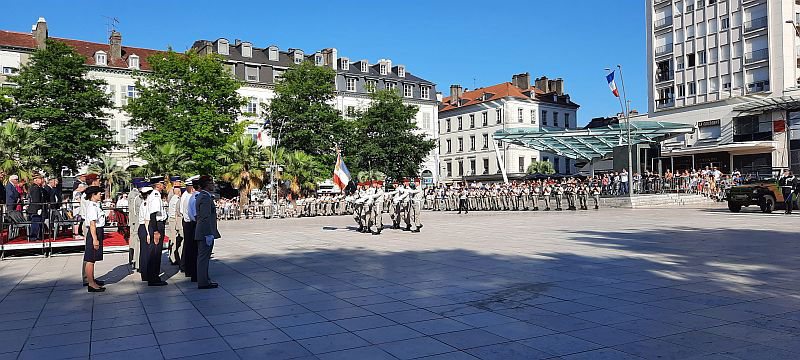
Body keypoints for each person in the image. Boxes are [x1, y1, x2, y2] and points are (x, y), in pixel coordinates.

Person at [194, 175, 220, 289]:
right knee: (203, 258)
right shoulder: (205, 197)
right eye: (211, 183)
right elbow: (205, 217)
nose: (213, 185)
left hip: (203, 231)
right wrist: (208, 233)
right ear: (206, 184)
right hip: (205, 232)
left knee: (204, 257)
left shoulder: (204, 196)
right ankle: (203, 282)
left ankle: (205, 279)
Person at [83, 186, 107, 292]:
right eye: (99, 193)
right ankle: (91, 284)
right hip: (94, 232)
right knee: (90, 260)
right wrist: (95, 239)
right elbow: (92, 224)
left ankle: (92, 280)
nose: (101, 195)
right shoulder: (92, 206)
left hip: (97, 231)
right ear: (93, 195)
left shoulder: (95, 205)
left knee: (93, 259)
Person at [145, 177, 168, 286]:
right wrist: (155, 232)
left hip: (157, 224)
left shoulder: (155, 195)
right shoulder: (155, 196)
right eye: (162, 183)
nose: (164, 185)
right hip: (157, 225)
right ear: (157, 185)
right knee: (155, 252)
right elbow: (153, 214)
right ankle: (153, 278)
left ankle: (153, 276)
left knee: (155, 252)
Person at [181, 176, 199, 281]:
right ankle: (191, 270)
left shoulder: (186, 195)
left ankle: (189, 269)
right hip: (190, 223)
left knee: (189, 248)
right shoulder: (189, 196)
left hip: (188, 223)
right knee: (192, 249)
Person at [26, 174, 46, 240]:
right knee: (35, 223)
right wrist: (38, 208)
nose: (41, 180)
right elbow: (36, 199)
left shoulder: (37, 187)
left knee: (38, 223)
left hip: (36, 208)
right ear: (36, 180)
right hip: (35, 209)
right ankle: (33, 237)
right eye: (40, 179)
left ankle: (38, 236)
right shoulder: (35, 188)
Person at [167, 185, 182, 265]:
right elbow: (177, 212)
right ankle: (174, 258)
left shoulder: (172, 198)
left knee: (172, 238)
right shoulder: (177, 199)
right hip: (174, 220)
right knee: (174, 239)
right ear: (179, 192)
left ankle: (172, 257)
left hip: (172, 219)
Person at [128, 184, 142, 270]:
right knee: (135, 240)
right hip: (135, 220)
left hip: (134, 220)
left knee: (134, 240)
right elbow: (133, 210)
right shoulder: (134, 194)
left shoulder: (133, 193)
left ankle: (133, 259)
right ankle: (134, 259)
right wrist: (134, 222)